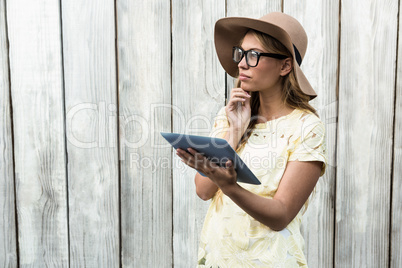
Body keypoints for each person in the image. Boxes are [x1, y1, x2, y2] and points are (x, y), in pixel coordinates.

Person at [176, 12, 327, 267]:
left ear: (285, 66)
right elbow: (203, 190)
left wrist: (231, 187)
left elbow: (281, 215)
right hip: (218, 259)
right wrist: (235, 130)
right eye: (241, 53)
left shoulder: (306, 127)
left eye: (254, 55)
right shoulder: (229, 116)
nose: (242, 64)